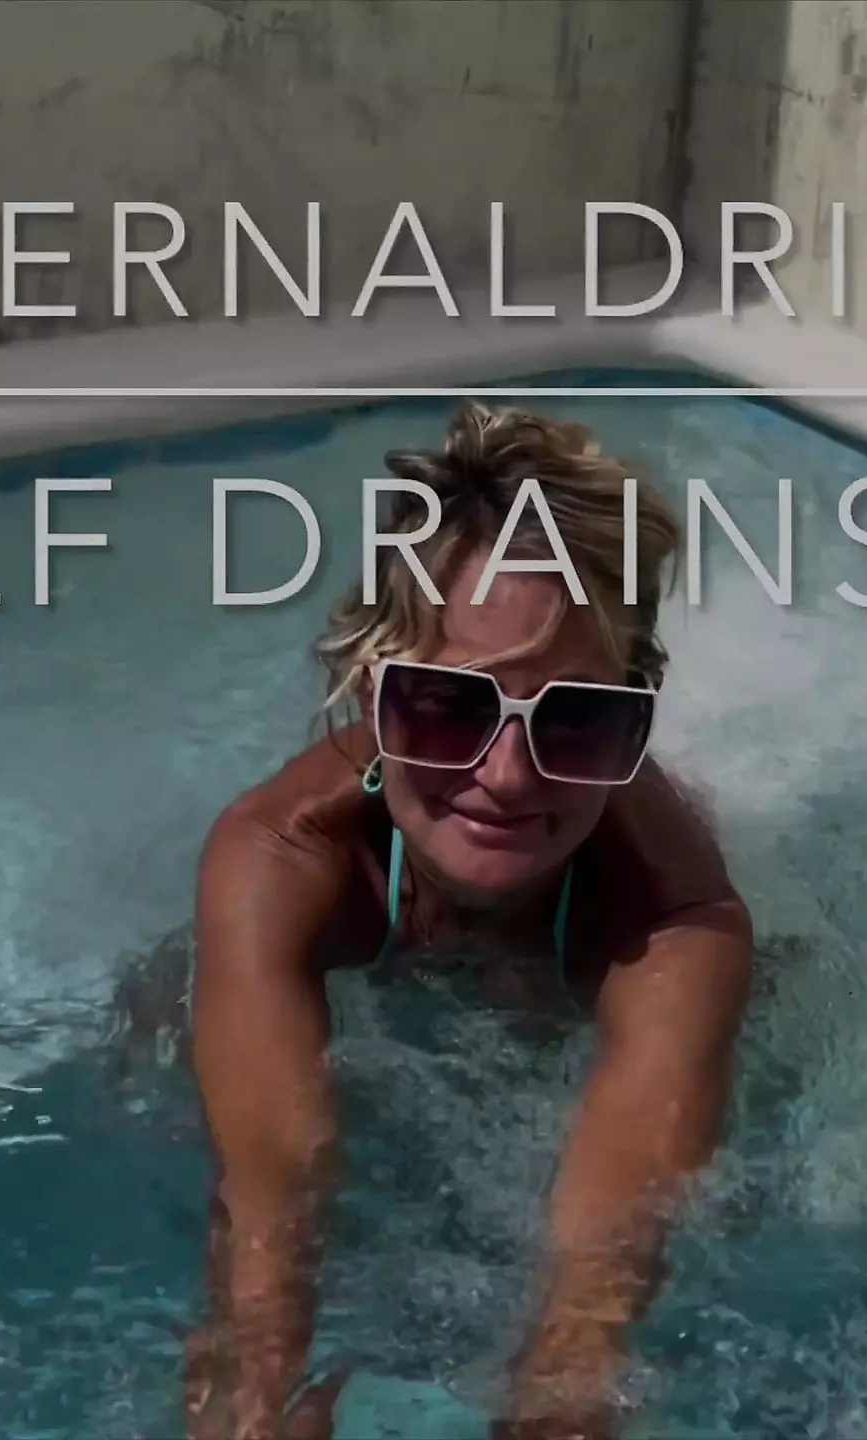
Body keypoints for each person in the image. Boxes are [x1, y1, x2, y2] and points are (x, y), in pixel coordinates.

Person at [181, 402, 756, 1440]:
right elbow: (265, 1253)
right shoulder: (282, 859)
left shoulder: (676, 916)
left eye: (577, 719)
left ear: (636, 715)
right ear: (372, 690)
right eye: (451, 706)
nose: (508, 776)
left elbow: (586, 1331)